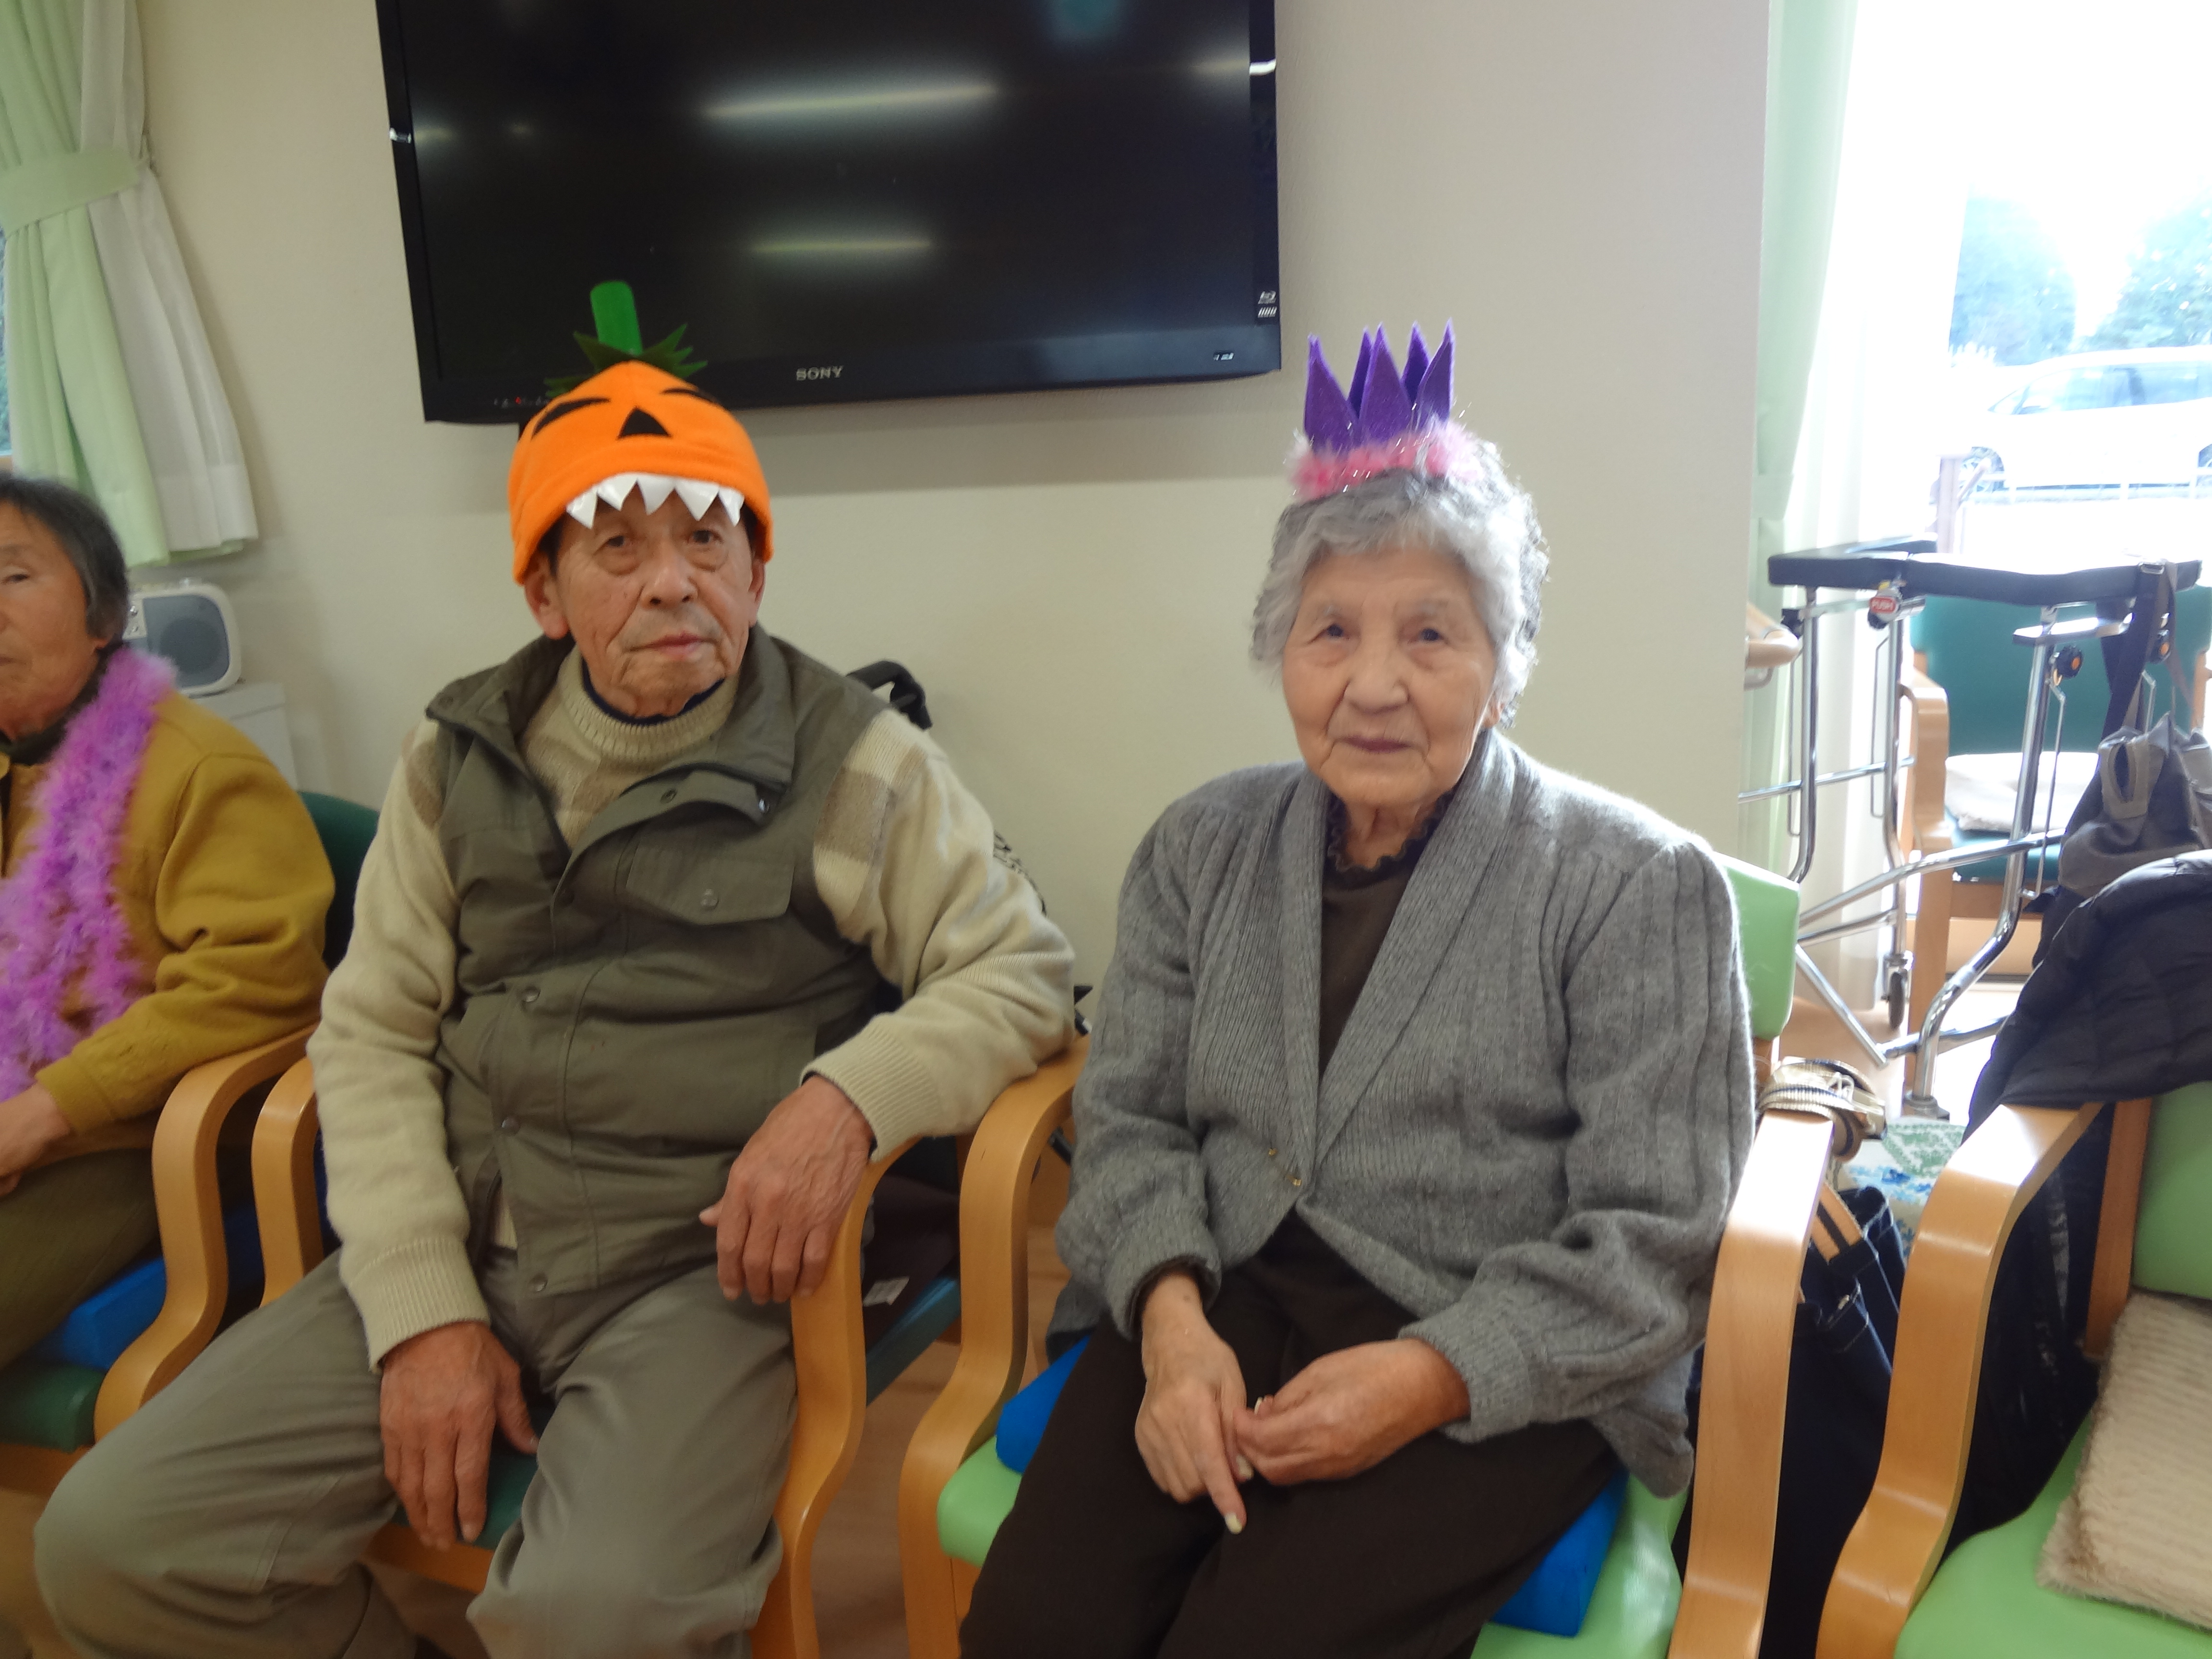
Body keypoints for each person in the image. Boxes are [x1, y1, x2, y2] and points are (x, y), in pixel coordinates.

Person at [37, 361, 1076, 1659]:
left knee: (597, 1618)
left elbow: (1020, 970)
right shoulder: (453, 755)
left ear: (757, 571)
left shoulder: (862, 759)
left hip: (696, 1266)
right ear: (543, 592)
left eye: (709, 541)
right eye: (618, 547)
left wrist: (844, 1102)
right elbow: (371, 1029)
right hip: (458, 1227)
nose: (672, 582)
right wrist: (424, 1308)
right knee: (111, 1545)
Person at [960, 327, 1754, 1659]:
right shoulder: (1199, 850)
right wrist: (1170, 1327)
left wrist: (1429, 1377)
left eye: (1431, 634)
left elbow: (1657, 1236)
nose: (1375, 685)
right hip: (1219, 1289)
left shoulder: (1636, 886)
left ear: (1504, 664)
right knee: (1034, 1630)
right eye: (1333, 630)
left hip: (1493, 1336)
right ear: (1284, 649)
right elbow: (1131, 1121)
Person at [0, 475, 330, 1659]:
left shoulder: (196, 769)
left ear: (102, 614)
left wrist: (44, 1113)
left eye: (12, 575)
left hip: (131, 1142)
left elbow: (255, 981)